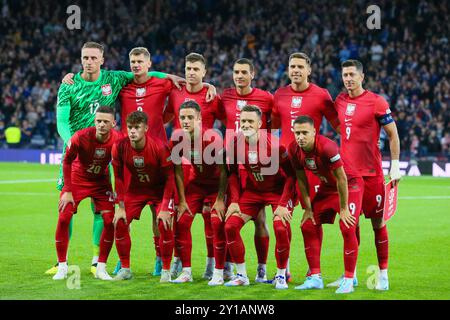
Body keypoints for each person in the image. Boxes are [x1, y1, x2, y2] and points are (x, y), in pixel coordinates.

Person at [47, 41, 171, 276]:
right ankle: (60, 262)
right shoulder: (69, 85)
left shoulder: (113, 79)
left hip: (106, 155)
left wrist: (174, 78)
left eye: (94, 58)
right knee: (66, 206)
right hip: (75, 153)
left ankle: (96, 263)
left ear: (102, 60)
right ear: (81, 58)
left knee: (103, 210)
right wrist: (71, 140)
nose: (89, 61)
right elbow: (61, 120)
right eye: (85, 57)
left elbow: (146, 71)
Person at [113, 49, 217, 277]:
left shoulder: (166, 85)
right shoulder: (122, 85)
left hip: (160, 154)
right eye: (133, 61)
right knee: (122, 210)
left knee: (161, 211)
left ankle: (162, 258)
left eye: (141, 61)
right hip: (130, 154)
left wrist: (208, 84)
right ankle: (123, 261)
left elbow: (190, 82)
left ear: (150, 63)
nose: (136, 65)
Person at [331, 59, 401, 290]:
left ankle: (383, 274)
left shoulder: (376, 102)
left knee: (377, 223)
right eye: (345, 75)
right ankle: (349, 277)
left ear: (362, 76)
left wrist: (395, 165)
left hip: (372, 175)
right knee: (349, 225)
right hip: (349, 176)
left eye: (352, 74)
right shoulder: (339, 100)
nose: (348, 79)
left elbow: (393, 134)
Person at [272, 52, 340, 281]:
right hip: (283, 167)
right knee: (281, 218)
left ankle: (314, 270)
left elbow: (340, 126)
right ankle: (284, 270)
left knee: (312, 218)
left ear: (309, 70)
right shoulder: (279, 94)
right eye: (292, 66)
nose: (296, 70)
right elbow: (270, 127)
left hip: (310, 168)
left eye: (300, 66)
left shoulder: (321, 95)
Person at [165, 53, 223, 280]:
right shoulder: (175, 92)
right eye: (188, 68)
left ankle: (215, 265)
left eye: (196, 69)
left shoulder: (211, 96)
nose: (191, 72)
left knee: (212, 218)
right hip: (184, 161)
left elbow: (228, 119)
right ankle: (180, 263)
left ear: (204, 72)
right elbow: (166, 116)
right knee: (181, 215)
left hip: (209, 162)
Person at [224, 105, 296, 289]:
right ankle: (241, 275)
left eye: (250, 121)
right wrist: (233, 201)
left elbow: (291, 176)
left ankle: (281, 275)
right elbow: (232, 174)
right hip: (253, 192)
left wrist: (282, 204)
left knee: (280, 227)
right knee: (230, 225)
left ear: (259, 123)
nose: (246, 124)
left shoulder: (275, 145)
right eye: (243, 121)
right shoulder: (234, 143)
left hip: (277, 192)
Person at [289, 115, 363, 294]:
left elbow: (342, 178)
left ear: (314, 132)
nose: (300, 137)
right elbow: (301, 179)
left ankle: (348, 279)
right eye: (297, 133)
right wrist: (307, 208)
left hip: (350, 185)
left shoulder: (327, 147)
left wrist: (344, 209)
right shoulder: (294, 149)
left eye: (304, 132)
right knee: (308, 224)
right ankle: (315, 278)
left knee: (347, 225)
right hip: (328, 187)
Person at [218, 58, 275, 283]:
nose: (239, 75)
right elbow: (221, 118)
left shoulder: (266, 98)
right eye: (236, 72)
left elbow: (275, 122)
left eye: (244, 72)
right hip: (232, 165)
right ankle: (228, 268)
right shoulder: (225, 97)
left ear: (253, 74)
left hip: (256, 165)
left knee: (260, 219)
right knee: (227, 217)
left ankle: (262, 269)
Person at [52, 106, 122, 280]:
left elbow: (121, 170)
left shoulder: (119, 140)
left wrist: (120, 198)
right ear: (94, 121)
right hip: (77, 179)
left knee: (109, 221)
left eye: (106, 121)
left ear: (113, 123)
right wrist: (67, 190)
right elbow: (67, 161)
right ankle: (62, 266)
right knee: (64, 217)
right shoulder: (81, 137)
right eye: (98, 121)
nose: (101, 124)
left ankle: (101, 267)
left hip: (101, 182)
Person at [112, 111, 175, 282]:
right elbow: (118, 177)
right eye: (130, 127)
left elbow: (170, 177)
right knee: (119, 221)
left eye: (137, 127)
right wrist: (120, 206)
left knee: (164, 222)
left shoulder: (160, 147)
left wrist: (165, 206)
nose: (132, 131)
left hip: (159, 191)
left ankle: (166, 270)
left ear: (145, 128)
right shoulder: (119, 146)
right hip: (136, 190)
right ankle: (125, 269)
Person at [170, 100, 227, 285]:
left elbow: (225, 170)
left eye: (190, 117)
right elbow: (177, 170)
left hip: (216, 185)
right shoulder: (178, 137)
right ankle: (186, 272)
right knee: (181, 222)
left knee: (216, 223)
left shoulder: (212, 138)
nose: (185, 121)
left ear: (199, 118)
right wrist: (182, 199)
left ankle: (218, 271)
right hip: (197, 185)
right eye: (182, 118)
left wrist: (220, 199)